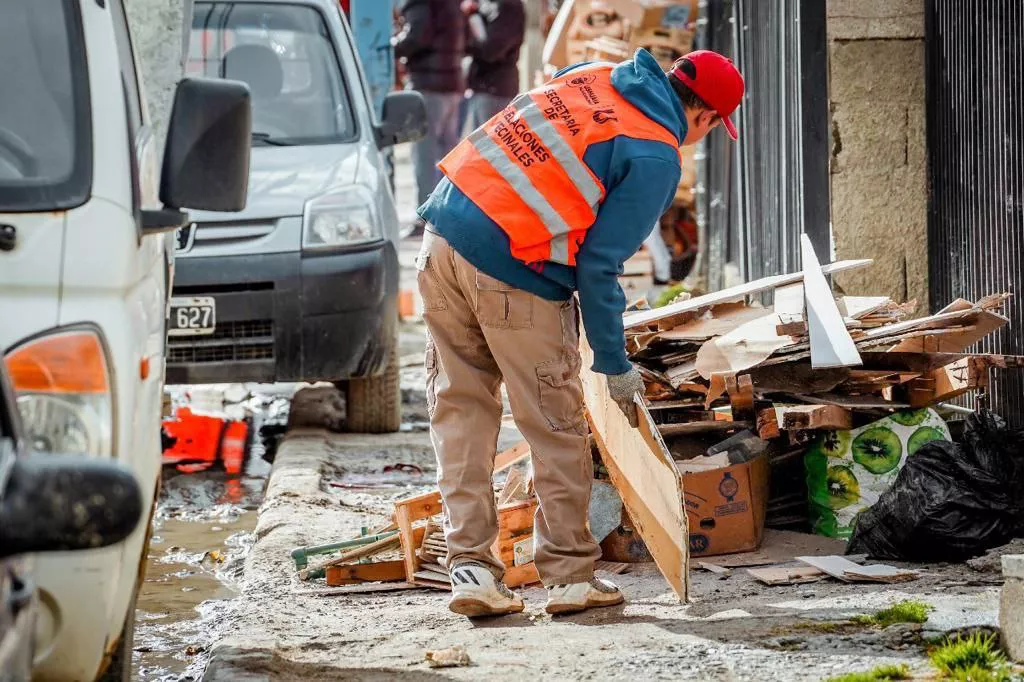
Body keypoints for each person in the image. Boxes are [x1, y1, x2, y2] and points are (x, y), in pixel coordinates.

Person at [416, 49, 744, 617]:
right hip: (515, 271)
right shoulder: (656, 154)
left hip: (440, 239)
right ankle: (568, 576)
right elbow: (598, 266)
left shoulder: (594, 75)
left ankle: (471, 569)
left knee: (460, 410)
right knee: (554, 425)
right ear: (707, 117)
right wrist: (613, 364)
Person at [394, 0, 466, 236]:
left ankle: (426, 217)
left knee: (424, 154)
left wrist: (391, 47)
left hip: (429, 84)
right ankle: (447, 214)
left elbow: (417, 36)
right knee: (447, 153)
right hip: (452, 81)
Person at [461, 0, 526, 131]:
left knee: (488, 140)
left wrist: (466, 42)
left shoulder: (509, 6)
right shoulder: (485, 4)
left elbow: (492, 51)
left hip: (496, 88)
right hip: (482, 86)